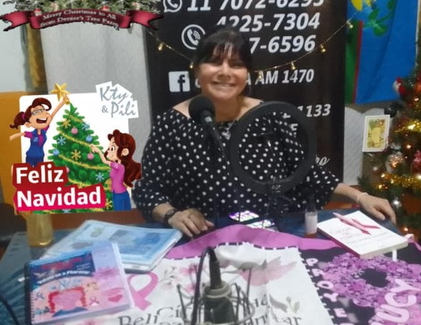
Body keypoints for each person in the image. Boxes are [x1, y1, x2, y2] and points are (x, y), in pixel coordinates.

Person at [133, 26, 395, 237]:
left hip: (272, 235)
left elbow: (305, 172)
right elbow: (148, 191)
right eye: (214, 62)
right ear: (196, 68)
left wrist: (360, 195)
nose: (225, 72)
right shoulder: (171, 124)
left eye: (236, 64)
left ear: (247, 73)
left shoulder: (268, 115)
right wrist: (173, 215)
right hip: (204, 239)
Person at [91, 130, 142, 211]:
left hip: (120, 195)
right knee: (121, 214)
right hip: (116, 193)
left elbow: (105, 161)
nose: (108, 150)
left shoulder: (119, 167)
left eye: (112, 148)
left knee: (122, 215)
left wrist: (98, 151)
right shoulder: (115, 166)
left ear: (124, 152)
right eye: (109, 148)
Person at [9, 96, 67, 167]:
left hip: (40, 156)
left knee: (39, 171)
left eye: (44, 110)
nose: (44, 113)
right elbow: (21, 134)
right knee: (29, 171)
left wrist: (62, 102)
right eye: (37, 112)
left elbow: (52, 115)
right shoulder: (32, 134)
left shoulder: (44, 131)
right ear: (28, 124)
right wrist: (10, 137)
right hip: (30, 156)